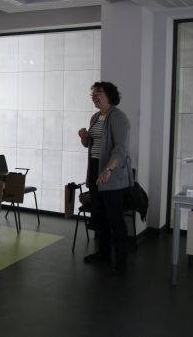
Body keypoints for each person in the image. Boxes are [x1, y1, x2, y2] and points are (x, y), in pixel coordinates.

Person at [78, 81, 133, 275]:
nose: (95, 96)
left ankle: (122, 260)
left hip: (112, 173)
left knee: (114, 218)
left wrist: (108, 170)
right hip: (95, 170)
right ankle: (103, 253)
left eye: (98, 92)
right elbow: (92, 145)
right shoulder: (95, 117)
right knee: (99, 215)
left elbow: (120, 149)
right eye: (92, 94)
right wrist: (84, 138)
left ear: (110, 95)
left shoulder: (118, 117)